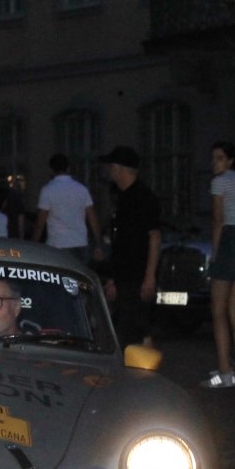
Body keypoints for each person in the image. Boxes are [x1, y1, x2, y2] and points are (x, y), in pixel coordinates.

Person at [100, 146, 163, 348]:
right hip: (125, 276)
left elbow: (154, 236)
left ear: (120, 168)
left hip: (138, 276)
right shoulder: (122, 198)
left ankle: (141, 367)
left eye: (112, 166)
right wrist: (113, 279)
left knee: (139, 330)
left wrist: (149, 276)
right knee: (128, 330)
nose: (109, 171)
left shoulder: (144, 198)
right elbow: (121, 243)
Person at [202, 141, 235, 389]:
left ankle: (224, 372)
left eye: (220, 158)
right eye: (213, 158)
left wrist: (215, 253)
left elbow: (218, 219)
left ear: (230, 160)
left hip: (228, 240)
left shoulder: (219, 182)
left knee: (218, 311)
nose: (215, 163)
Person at [33, 153, 101, 262]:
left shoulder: (47, 190)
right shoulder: (81, 189)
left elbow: (40, 224)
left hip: (57, 244)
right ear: (68, 168)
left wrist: (34, 244)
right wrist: (98, 244)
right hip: (80, 243)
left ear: (51, 170)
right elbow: (93, 219)